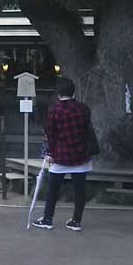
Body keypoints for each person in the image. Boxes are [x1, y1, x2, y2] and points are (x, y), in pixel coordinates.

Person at [33, 77, 93, 232]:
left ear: (58, 93)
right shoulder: (84, 109)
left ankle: (47, 219)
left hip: (60, 155)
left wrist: (49, 152)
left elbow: (51, 134)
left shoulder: (54, 111)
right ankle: (76, 221)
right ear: (73, 92)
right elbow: (87, 132)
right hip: (81, 155)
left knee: (53, 189)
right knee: (80, 190)